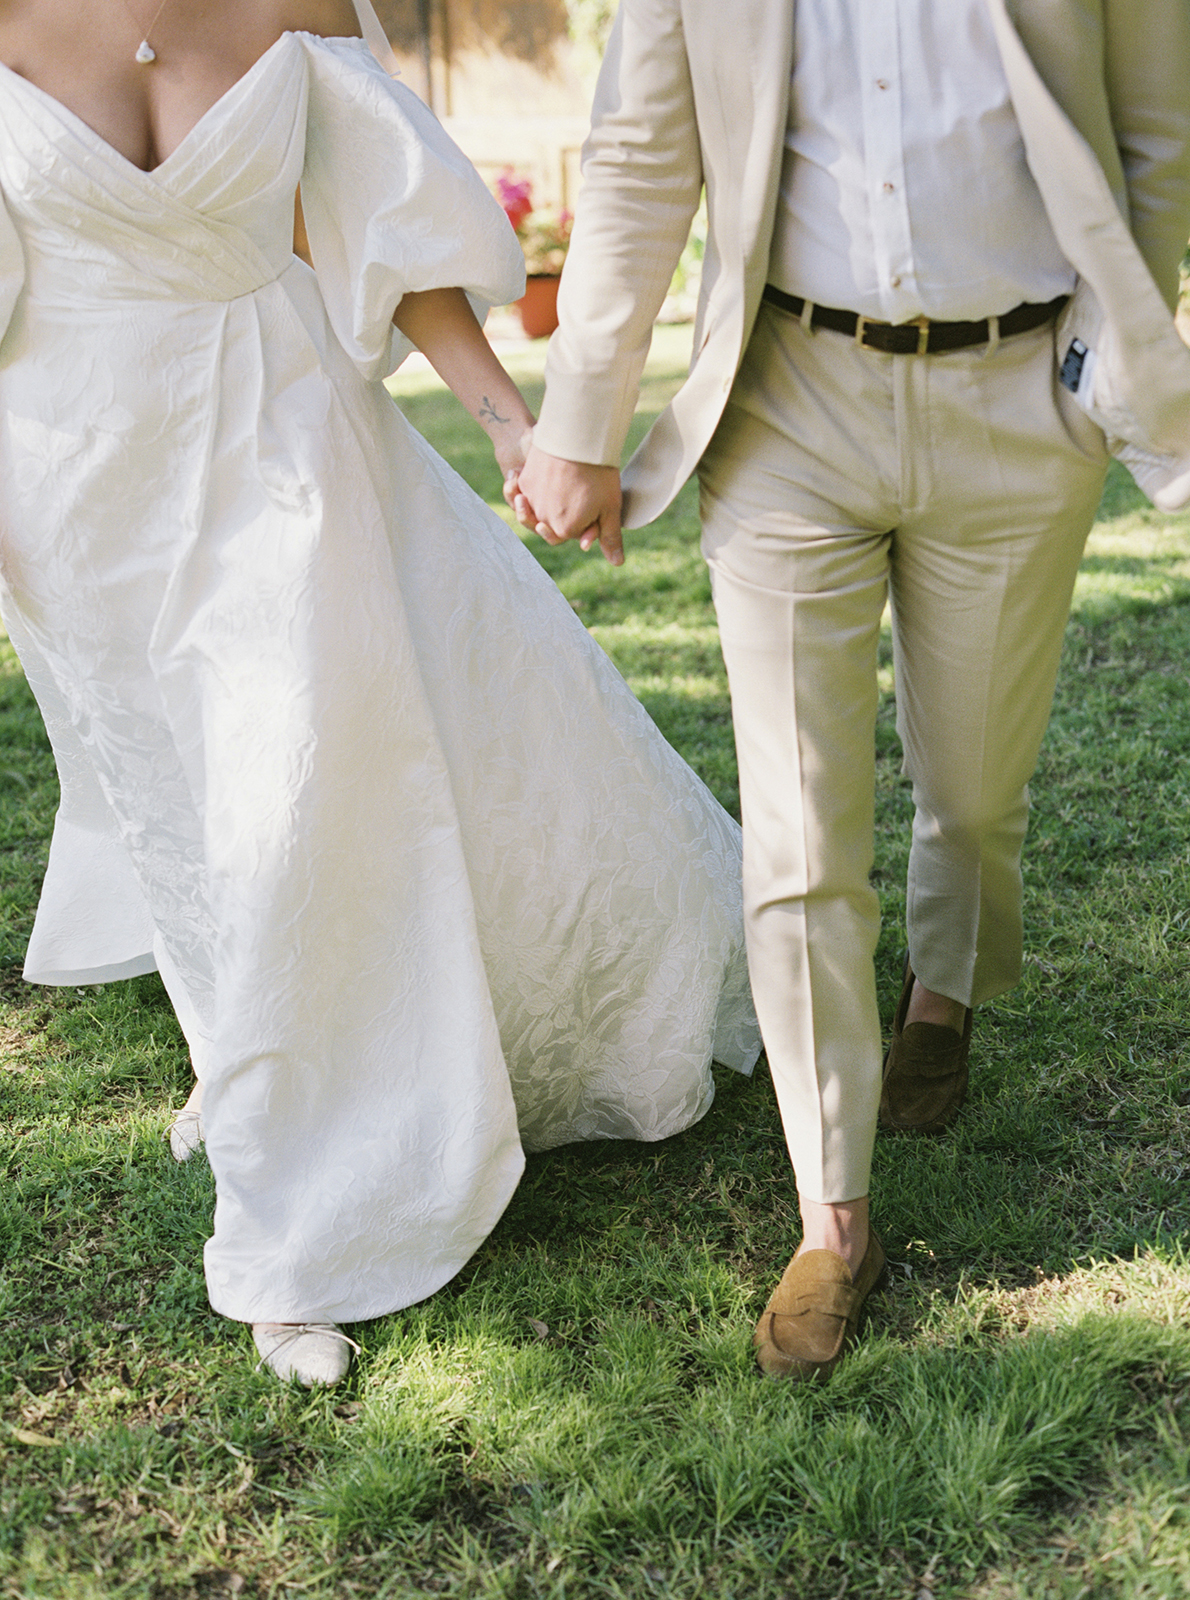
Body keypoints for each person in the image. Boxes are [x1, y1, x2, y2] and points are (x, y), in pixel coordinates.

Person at [0, 0, 760, 1385]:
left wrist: (509, 422)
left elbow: (384, 221)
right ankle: (259, 1068)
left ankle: (302, 1223)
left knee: (295, 781)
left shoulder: (293, 2)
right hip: (74, 477)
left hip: (285, 428)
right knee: (190, 802)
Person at [515, 0, 1190, 1381]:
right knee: (800, 831)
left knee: (970, 783)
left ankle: (940, 995)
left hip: (1020, 398)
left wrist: (1102, 361)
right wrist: (580, 423)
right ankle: (834, 1215)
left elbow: (1157, 140)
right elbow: (642, 157)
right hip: (784, 409)